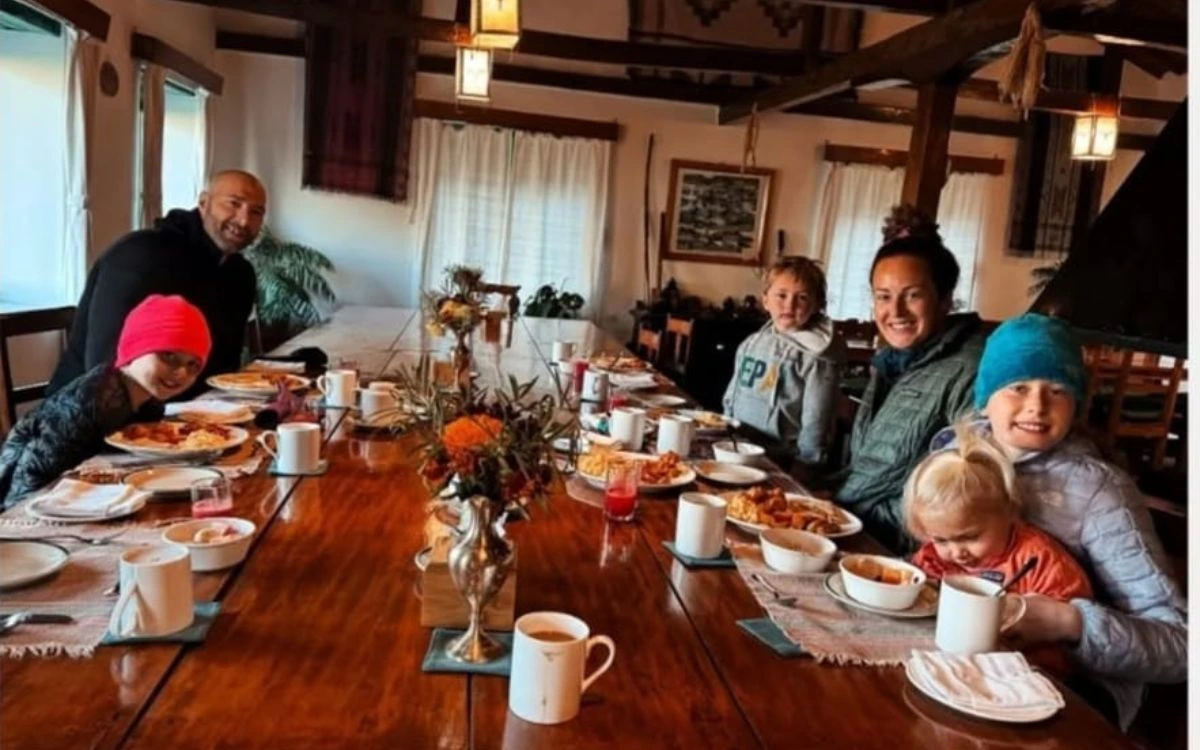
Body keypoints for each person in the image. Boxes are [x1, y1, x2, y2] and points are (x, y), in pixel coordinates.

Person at [934, 313, 1187, 729]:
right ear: (986, 396)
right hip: (965, 655)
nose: (1036, 405)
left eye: (1057, 389)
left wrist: (1068, 622)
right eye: (1018, 387)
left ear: (1076, 403)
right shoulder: (953, 454)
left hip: (1071, 688)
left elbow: (1181, 647)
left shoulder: (1100, 493)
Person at [828, 226, 987, 551]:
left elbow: (966, 488)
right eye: (883, 297)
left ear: (944, 299)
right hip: (856, 525)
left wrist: (844, 516)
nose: (895, 312)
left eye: (912, 295)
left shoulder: (971, 367)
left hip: (902, 550)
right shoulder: (893, 360)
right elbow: (871, 469)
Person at [48, 170, 266, 400]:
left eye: (256, 212)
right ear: (204, 203)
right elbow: (103, 364)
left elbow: (224, 368)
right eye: (234, 204)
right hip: (90, 412)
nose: (244, 220)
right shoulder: (141, 255)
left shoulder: (240, 275)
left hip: (196, 414)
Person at [904, 422, 1092, 678]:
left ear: (1009, 513)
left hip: (1022, 674)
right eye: (942, 540)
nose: (957, 552)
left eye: (969, 537)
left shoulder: (1042, 561)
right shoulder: (932, 557)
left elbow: (1070, 639)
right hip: (947, 663)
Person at [0, 295, 212, 507]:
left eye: (193, 364)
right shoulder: (89, 403)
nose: (181, 372)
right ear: (135, 348)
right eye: (169, 356)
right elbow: (28, 485)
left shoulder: (150, 398)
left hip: (99, 498)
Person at [722, 257, 845, 467]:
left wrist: (807, 464)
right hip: (736, 445)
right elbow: (732, 394)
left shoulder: (816, 357)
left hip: (779, 459)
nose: (790, 305)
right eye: (781, 295)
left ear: (818, 305)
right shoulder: (751, 343)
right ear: (765, 299)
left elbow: (817, 419)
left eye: (803, 298)